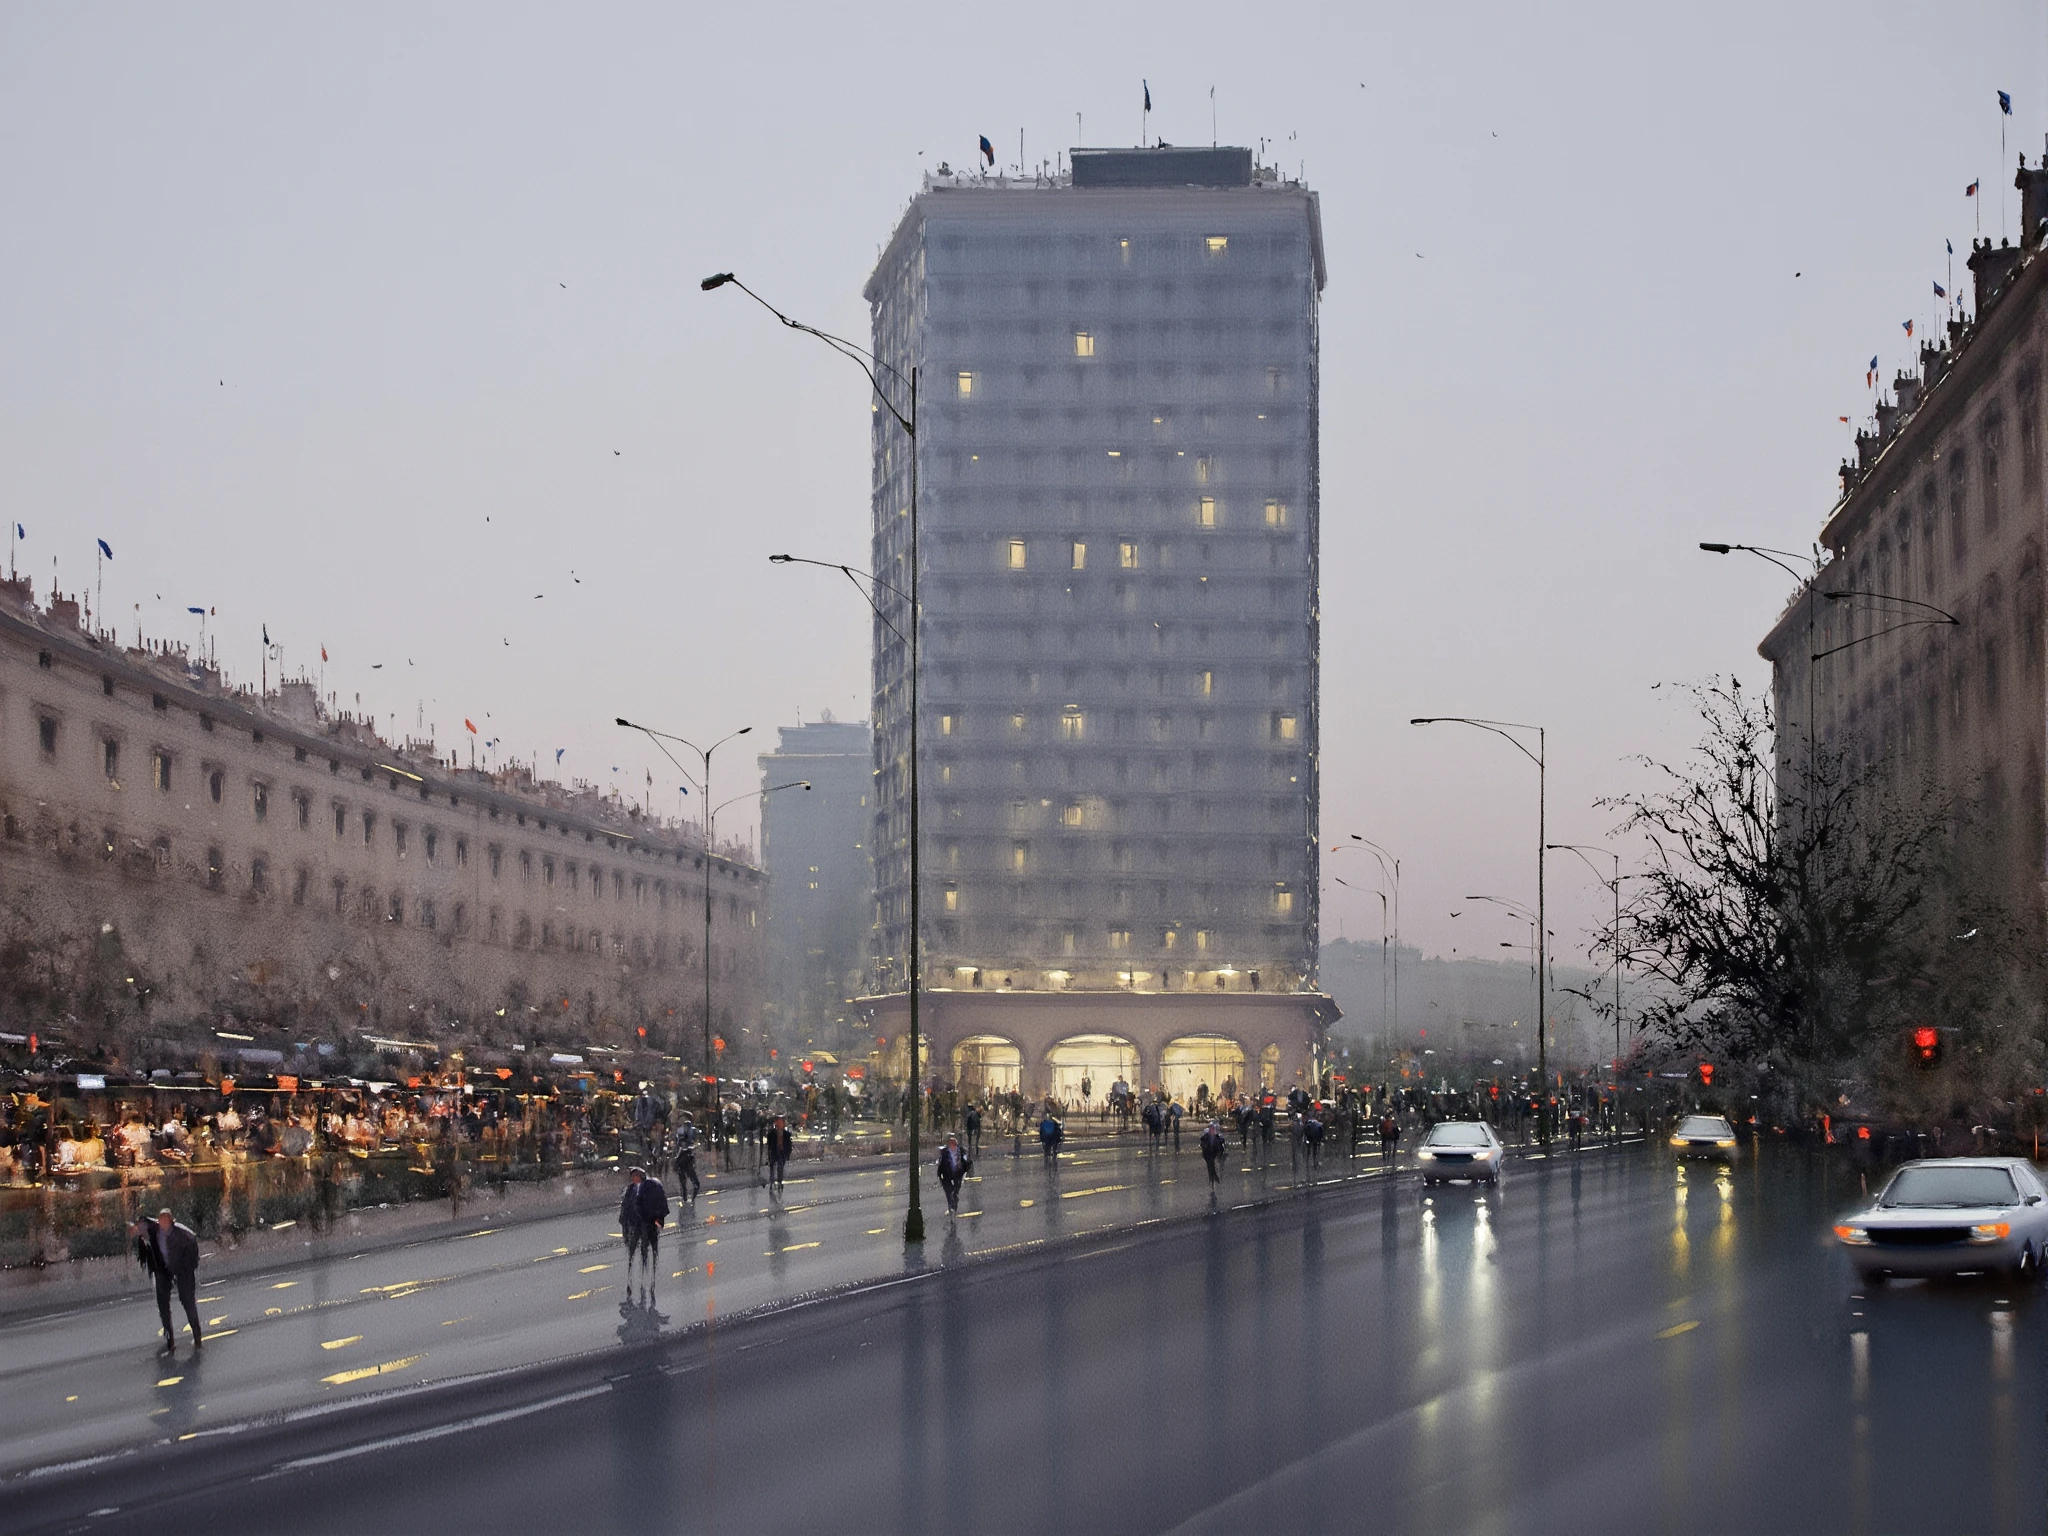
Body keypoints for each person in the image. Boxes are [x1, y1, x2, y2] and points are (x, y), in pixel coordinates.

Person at [130, 1207, 202, 1352]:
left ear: (171, 1220)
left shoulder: (182, 1235)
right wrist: (135, 1227)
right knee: (163, 1306)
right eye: (161, 1219)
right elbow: (144, 1223)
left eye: (166, 1219)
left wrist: (186, 1268)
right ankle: (169, 1340)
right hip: (163, 1271)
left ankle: (197, 1335)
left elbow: (193, 1250)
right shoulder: (155, 1230)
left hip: (182, 1272)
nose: (163, 1222)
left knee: (187, 1301)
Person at [634, 1168, 669, 1281]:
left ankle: (646, 1268)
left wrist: (641, 1218)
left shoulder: (642, 1187)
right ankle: (654, 1267)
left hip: (647, 1219)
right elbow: (663, 1201)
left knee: (645, 1244)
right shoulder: (657, 1184)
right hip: (657, 1218)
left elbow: (638, 1203)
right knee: (654, 1242)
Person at [619, 1167, 650, 1269]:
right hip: (633, 1222)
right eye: (633, 1176)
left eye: (636, 1176)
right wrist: (623, 1219)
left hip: (644, 1222)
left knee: (644, 1245)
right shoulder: (630, 1189)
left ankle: (645, 1264)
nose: (634, 1178)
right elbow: (626, 1205)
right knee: (632, 1244)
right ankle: (631, 1263)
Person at [936, 1133, 969, 1215]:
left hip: (958, 1173)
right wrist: (940, 1174)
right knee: (949, 1191)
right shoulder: (946, 1153)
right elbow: (942, 1164)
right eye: (952, 1144)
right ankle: (951, 1204)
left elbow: (966, 1162)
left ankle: (954, 1204)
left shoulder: (960, 1151)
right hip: (948, 1174)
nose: (954, 1145)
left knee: (956, 1190)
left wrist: (964, 1170)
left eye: (955, 1144)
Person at [673, 1114, 703, 1202]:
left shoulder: (682, 1135)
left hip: (685, 1161)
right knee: (687, 1183)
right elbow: (682, 1147)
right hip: (684, 1161)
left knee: (686, 1183)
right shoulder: (681, 1137)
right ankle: (687, 1199)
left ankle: (687, 1199)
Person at [765, 1115, 794, 1193]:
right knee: (772, 1167)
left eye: (781, 1123)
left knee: (780, 1167)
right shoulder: (771, 1134)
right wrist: (769, 1154)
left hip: (782, 1152)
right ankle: (772, 1182)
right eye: (778, 1123)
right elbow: (769, 1145)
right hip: (774, 1152)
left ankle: (779, 1182)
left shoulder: (787, 1134)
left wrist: (787, 1154)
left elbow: (789, 1145)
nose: (780, 1125)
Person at [1199, 1118, 1227, 1186]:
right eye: (1211, 1129)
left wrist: (1221, 1154)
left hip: (1214, 1153)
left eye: (1213, 1129)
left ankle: (1213, 1178)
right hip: (1208, 1154)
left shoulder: (1217, 1138)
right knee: (1210, 1165)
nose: (1212, 1130)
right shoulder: (1206, 1137)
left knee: (1212, 1165)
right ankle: (1212, 1178)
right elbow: (1203, 1143)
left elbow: (1221, 1146)